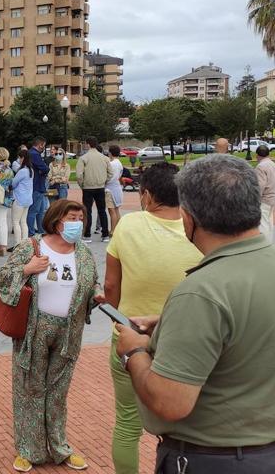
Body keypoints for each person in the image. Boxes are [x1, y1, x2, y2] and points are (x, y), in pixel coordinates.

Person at [115, 155, 275, 474]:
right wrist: (169, 325)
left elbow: (170, 401)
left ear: (189, 217)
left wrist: (133, 351)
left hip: (214, 459)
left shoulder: (202, 291)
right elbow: (245, 336)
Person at [96, 164, 203, 474]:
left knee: (127, 423)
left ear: (147, 194)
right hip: (184, 343)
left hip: (130, 340)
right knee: (185, 427)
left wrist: (117, 319)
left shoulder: (128, 226)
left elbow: (111, 285)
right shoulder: (199, 230)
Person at [0, 199, 97, 472]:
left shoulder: (83, 253)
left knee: (58, 393)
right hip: (34, 330)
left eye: (80, 218)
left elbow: (90, 284)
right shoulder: (32, 247)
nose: (76, 223)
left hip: (68, 332)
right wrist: (27, 270)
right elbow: (2, 277)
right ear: (56, 219)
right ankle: (28, 450)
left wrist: (98, 295)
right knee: (30, 389)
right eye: (71, 218)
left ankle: (60, 447)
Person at [77, 137, 113, 243]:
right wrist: (104, 181)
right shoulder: (104, 158)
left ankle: (87, 234)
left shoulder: (83, 158)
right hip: (100, 187)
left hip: (88, 187)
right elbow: (110, 173)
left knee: (87, 211)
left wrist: (82, 184)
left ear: (88, 145)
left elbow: (79, 175)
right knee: (102, 211)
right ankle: (105, 234)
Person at [26, 138, 51, 236]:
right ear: (40, 144)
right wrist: (43, 170)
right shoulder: (34, 154)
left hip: (37, 186)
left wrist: (43, 170)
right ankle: (31, 233)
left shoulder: (30, 153)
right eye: (43, 145)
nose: (44, 148)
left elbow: (43, 169)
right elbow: (45, 168)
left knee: (40, 210)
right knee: (34, 211)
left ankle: (41, 231)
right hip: (37, 185)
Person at [255, 145, 275, 241]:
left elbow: (259, 186)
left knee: (263, 224)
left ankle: (264, 242)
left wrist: (255, 199)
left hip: (264, 199)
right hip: (272, 197)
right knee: (269, 222)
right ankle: (269, 242)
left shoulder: (261, 167)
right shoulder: (273, 164)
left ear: (257, 155)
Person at [10, 150, 33, 246]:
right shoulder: (31, 170)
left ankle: (17, 244)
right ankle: (25, 243)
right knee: (23, 221)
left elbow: (13, 183)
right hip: (27, 199)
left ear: (23, 158)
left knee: (16, 222)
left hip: (19, 199)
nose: (19, 160)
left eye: (20, 158)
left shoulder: (22, 171)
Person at [105, 145, 125, 234]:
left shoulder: (111, 164)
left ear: (110, 153)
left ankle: (112, 230)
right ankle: (117, 229)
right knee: (116, 210)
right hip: (117, 188)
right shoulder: (119, 163)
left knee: (111, 211)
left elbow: (109, 177)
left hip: (110, 188)